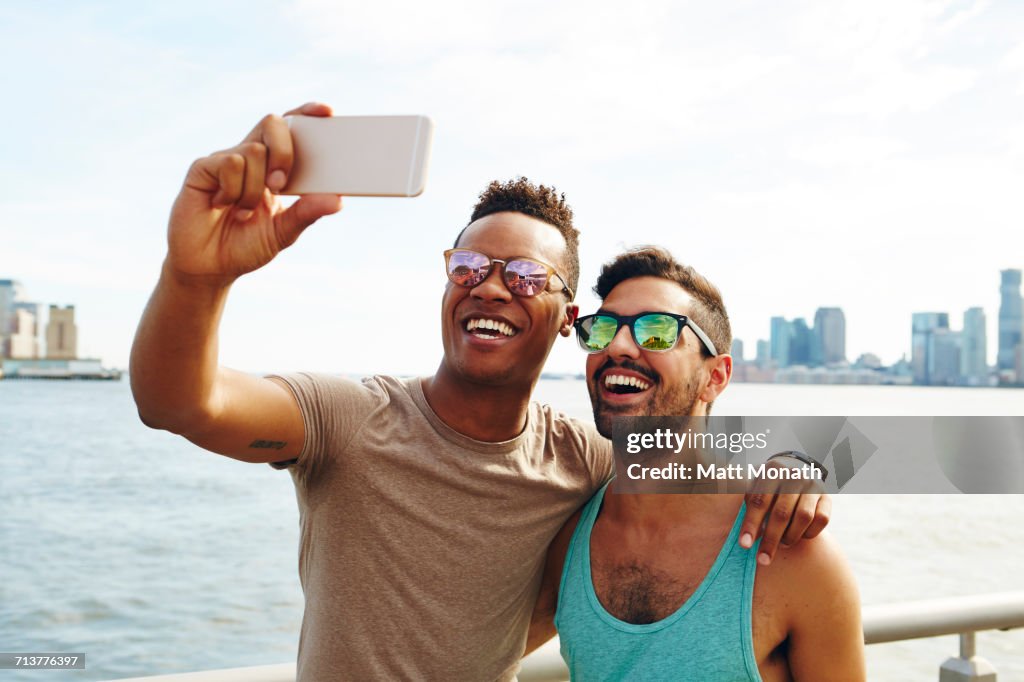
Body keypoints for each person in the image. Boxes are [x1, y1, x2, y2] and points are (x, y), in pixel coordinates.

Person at [129, 102, 832, 681]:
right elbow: (180, 404)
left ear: (567, 322)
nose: (489, 286)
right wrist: (197, 279)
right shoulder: (347, 420)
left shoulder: (582, 461)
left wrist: (798, 469)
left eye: (525, 277)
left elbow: (690, 450)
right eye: (466, 267)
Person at [528, 247, 864, 681]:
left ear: (716, 377)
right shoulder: (570, 540)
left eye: (657, 331)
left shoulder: (793, 554)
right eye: (604, 328)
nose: (619, 345)